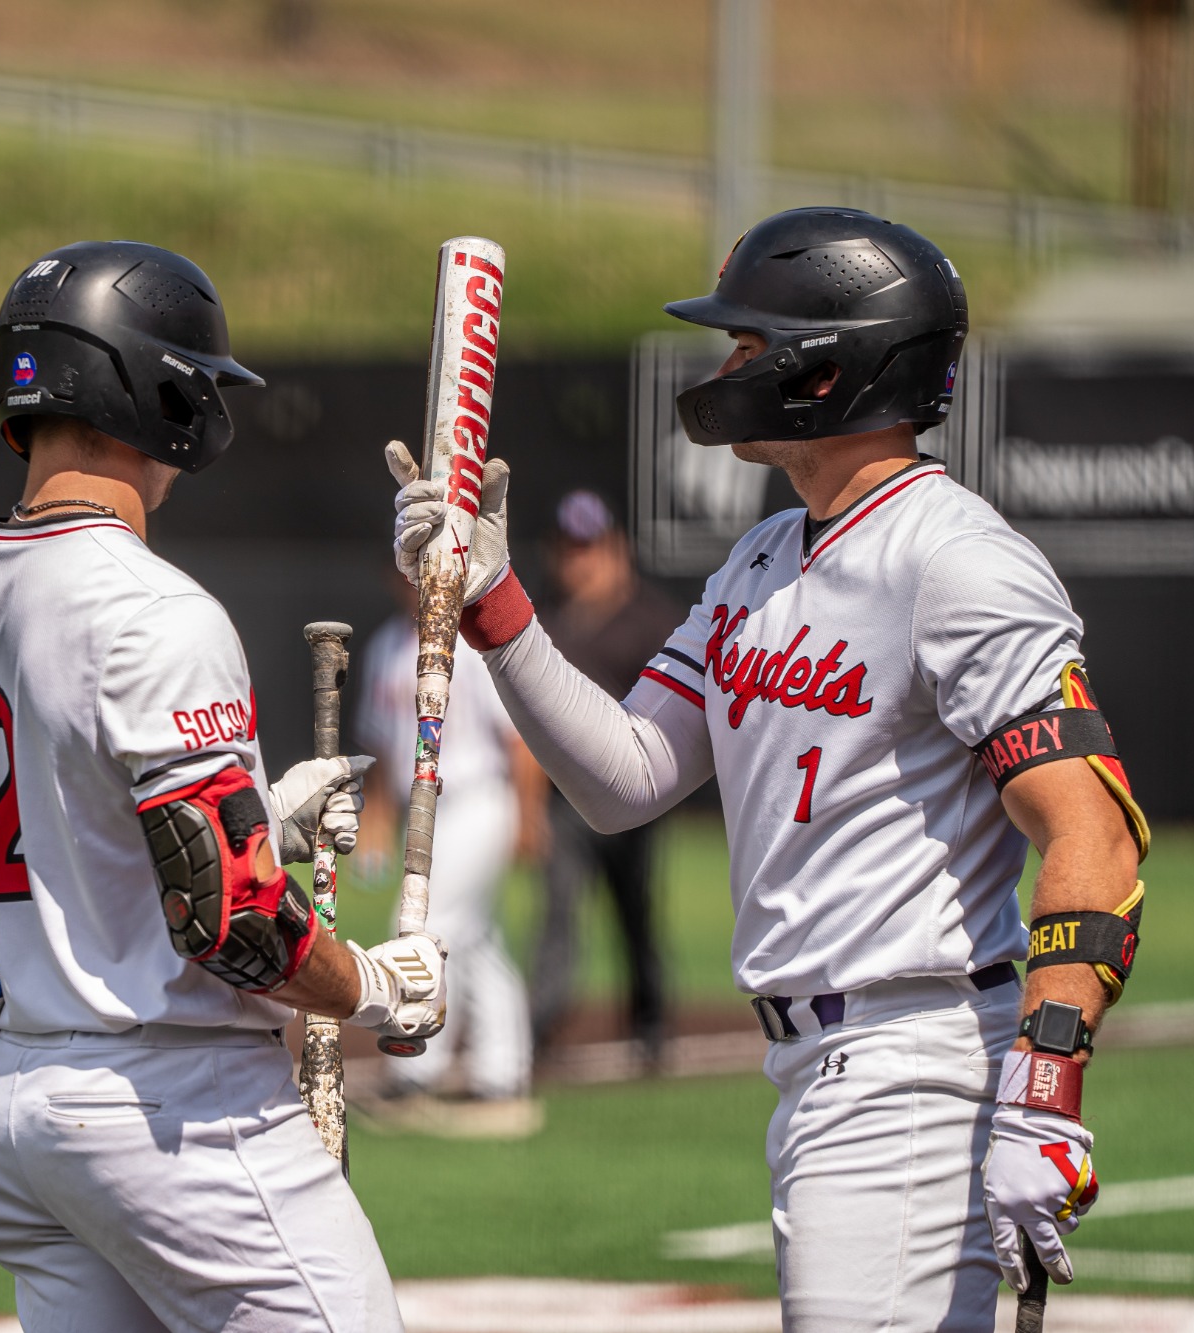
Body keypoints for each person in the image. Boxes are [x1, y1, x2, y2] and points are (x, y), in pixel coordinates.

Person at [388, 207, 1149, 1332]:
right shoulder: (763, 555)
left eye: (749, 343)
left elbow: (1095, 832)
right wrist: (496, 604)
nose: (725, 366)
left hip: (916, 1062)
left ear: (825, 368)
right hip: (817, 1069)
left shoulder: (957, 559)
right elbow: (628, 775)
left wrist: (1045, 1092)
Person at [0, 241, 443, 1333]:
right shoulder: (150, 605)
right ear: (154, 388)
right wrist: (372, 987)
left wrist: (264, 812)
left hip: (23, 1105)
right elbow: (231, 915)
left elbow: (99, 823)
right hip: (170, 1109)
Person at [353, 582, 545, 1137]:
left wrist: (529, 816)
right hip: (425, 812)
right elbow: (384, 743)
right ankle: (502, 1074)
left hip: (479, 799)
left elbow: (517, 739)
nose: (412, 582)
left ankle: (415, 1073)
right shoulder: (388, 646)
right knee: (476, 940)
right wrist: (378, 819)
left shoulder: (468, 646)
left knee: (423, 927)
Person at [531, 490, 682, 1068]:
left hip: (637, 794)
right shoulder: (545, 618)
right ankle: (539, 1028)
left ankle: (649, 1022)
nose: (579, 562)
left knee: (635, 912)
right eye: (569, 550)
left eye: (589, 549)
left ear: (616, 549)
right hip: (564, 798)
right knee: (560, 910)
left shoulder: (653, 618)